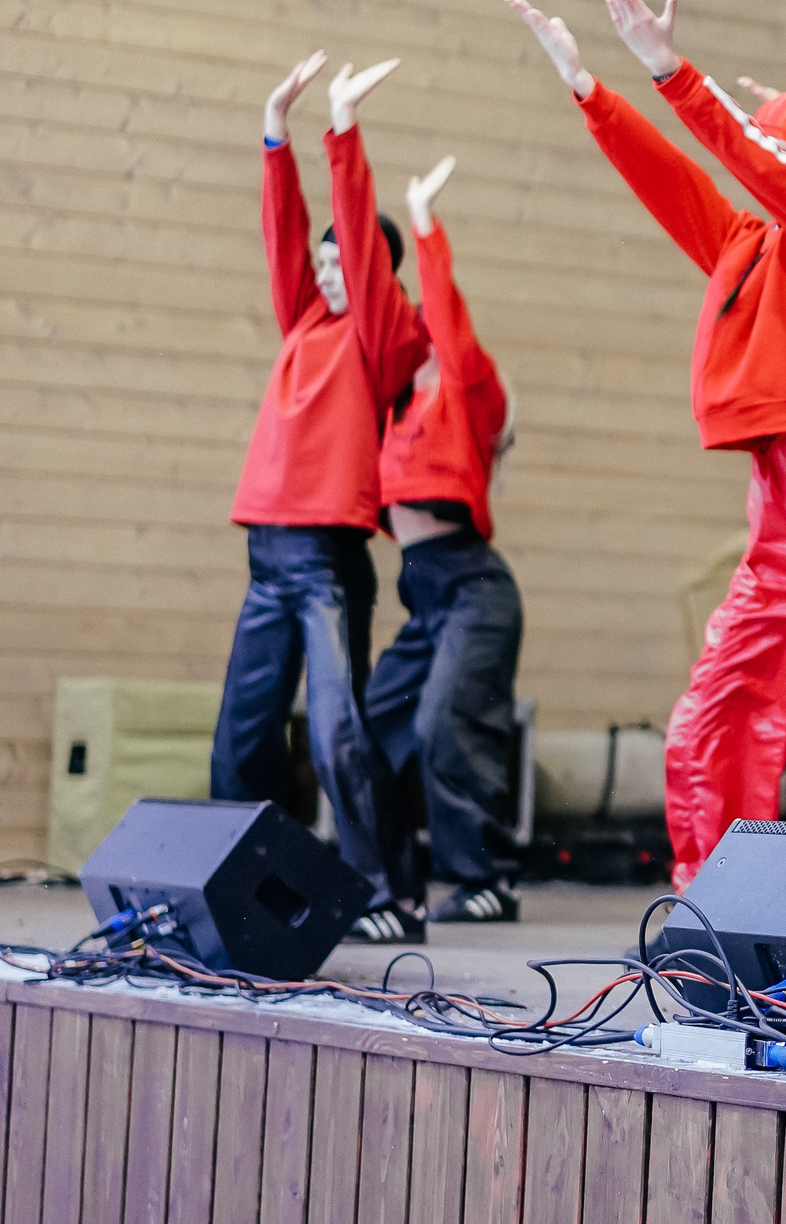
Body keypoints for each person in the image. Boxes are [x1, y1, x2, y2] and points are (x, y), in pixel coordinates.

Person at [506, 0, 786, 889]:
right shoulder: (749, 237)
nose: (759, 162)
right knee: (715, 716)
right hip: (782, 492)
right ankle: (717, 910)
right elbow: (676, 181)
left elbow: (750, 159)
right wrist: (590, 88)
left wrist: (672, 71)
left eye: (778, 149)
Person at [216, 52, 430, 937]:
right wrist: (277, 129)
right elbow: (283, 230)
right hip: (266, 551)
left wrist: (342, 129)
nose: (330, 270)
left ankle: (384, 888)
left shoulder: (389, 338)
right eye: (325, 260)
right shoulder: (305, 316)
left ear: (379, 277)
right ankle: (238, 883)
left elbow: (349, 229)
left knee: (338, 732)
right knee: (243, 734)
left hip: (328, 560)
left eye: (347, 261)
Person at [326, 73, 527, 939]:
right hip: (423, 594)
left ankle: (484, 879)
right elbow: (373, 301)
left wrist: (424, 227)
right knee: (366, 731)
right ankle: (390, 895)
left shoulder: (465, 388)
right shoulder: (391, 401)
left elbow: (440, 311)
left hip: (474, 587)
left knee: (446, 722)